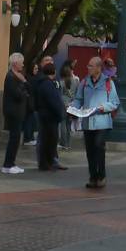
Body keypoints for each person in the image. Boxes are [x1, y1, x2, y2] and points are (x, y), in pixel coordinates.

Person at [74, 53, 120, 189]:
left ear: (99, 68)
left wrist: (102, 107)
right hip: (87, 122)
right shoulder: (84, 82)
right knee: (90, 150)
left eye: (91, 65)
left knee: (99, 147)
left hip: (102, 122)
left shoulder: (108, 82)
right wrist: (73, 108)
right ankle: (93, 177)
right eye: (88, 65)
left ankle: (102, 176)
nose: (88, 67)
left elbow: (115, 102)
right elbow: (78, 99)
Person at [30, 56, 67, 172]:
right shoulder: (47, 84)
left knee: (47, 139)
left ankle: (49, 162)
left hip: (44, 114)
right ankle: (47, 163)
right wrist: (60, 113)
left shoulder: (44, 82)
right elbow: (54, 101)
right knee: (48, 140)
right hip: (49, 116)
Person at [1, 52, 29, 174]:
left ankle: (10, 163)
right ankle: (8, 164)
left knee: (16, 138)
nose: (23, 65)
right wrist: (24, 84)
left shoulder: (15, 76)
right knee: (14, 138)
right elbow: (18, 95)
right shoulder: (11, 77)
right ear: (15, 63)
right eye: (21, 62)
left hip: (17, 111)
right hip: (14, 112)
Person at [59, 60, 78, 150]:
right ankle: (69, 144)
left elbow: (60, 95)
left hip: (63, 105)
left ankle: (64, 143)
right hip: (72, 105)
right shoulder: (76, 81)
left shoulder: (61, 82)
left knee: (62, 124)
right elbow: (77, 94)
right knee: (68, 125)